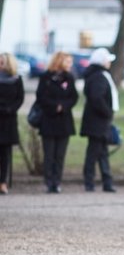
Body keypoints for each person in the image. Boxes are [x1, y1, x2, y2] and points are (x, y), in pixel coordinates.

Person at [36, 52, 79, 193]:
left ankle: (57, 181)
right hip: (49, 119)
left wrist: (64, 106)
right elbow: (41, 96)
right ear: (60, 61)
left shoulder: (69, 78)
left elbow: (74, 97)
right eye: (67, 61)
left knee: (60, 154)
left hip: (64, 121)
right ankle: (48, 181)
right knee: (49, 154)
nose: (70, 64)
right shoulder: (46, 77)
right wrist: (55, 106)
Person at [80, 47, 118, 193]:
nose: (109, 63)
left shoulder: (99, 75)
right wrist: (107, 112)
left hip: (100, 121)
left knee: (102, 152)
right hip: (97, 121)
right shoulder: (98, 77)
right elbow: (97, 98)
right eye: (108, 60)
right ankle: (89, 182)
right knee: (94, 152)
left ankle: (106, 182)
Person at [0, 53, 24, 195]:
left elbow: (20, 98)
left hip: (8, 120)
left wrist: (10, 109)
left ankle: (3, 182)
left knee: (5, 154)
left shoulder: (16, 79)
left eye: (2, 62)